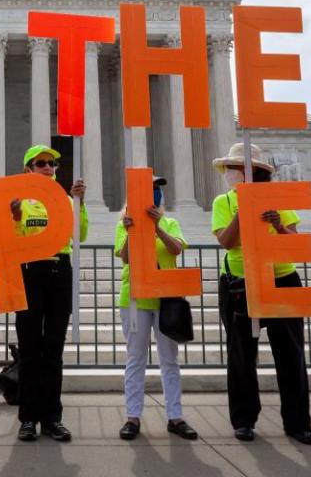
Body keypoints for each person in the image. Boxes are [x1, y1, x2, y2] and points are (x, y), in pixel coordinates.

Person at [211, 143, 311, 446]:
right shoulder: (224, 201)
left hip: (282, 280)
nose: (231, 173)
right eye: (231, 168)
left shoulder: (279, 201)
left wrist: (277, 225)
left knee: (291, 355)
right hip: (240, 284)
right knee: (241, 356)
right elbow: (227, 242)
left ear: (253, 171)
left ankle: (298, 423)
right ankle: (244, 420)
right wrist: (242, 211)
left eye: (236, 167)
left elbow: (294, 243)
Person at [11, 144, 88, 442]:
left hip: (59, 272)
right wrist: (16, 217)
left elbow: (79, 236)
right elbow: (11, 239)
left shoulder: (66, 201)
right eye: (41, 163)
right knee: (30, 349)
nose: (48, 167)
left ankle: (52, 418)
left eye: (52, 163)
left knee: (54, 349)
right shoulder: (19, 203)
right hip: (29, 272)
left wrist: (79, 204)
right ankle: (28, 418)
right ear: (28, 169)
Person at [114, 175, 198, 441]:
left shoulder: (170, 221)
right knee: (135, 359)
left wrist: (158, 226)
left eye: (157, 189)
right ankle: (132, 417)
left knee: (169, 360)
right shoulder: (123, 224)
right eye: (149, 190)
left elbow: (175, 250)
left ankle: (175, 416)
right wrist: (130, 231)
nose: (155, 194)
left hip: (166, 298)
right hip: (135, 297)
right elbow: (125, 257)